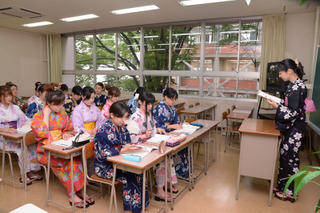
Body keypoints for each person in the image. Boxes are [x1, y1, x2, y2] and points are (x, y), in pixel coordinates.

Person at [31, 90, 93, 208]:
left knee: (77, 161)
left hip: (62, 147)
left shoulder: (63, 113)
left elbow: (69, 128)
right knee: (69, 164)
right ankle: (72, 194)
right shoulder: (39, 115)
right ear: (48, 103)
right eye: (56, 104)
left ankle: (79, 190)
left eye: (61, 104)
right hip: (46, 152)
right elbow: (42, 133)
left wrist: (66, 134)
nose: (60, 107)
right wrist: (46, 114)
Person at [94, 101, 149, 213]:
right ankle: (128, 210)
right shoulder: (103, 129)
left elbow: (126, 142)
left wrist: (130, 147)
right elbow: (103, 153)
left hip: (119, 161)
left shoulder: (122, 127)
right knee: (129, 177)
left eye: (125, 117)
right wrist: (123, 149)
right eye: (122, 118)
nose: (124, 120)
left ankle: (140, 207)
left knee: (139, 173)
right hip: (104, 166)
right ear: (112, 115)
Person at [267, 59, 307, 202]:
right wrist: (278, 102)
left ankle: (289, 192)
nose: (279, 76)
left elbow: (293, 112)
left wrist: (277, 107)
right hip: (291, 128)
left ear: (289, 71)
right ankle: (282, 186)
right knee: (285, 158)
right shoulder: (294, 85)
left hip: (295, 129)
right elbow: (290, 105)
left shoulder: (298, 87)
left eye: (281, 73)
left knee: (290, 160)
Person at [126, 91, 176, 201]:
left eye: (151, 104)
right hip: (139, 147)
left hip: (149, 144)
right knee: (160, 160)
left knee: (166, 155)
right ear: (140, 102)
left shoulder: (149, 115)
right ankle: (159, 190)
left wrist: (157, 130)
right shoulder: (135, 117)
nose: (150, 106)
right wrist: (144, 136)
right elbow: (131, 138)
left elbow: (152, 130)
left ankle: (165, 184)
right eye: (147, 104)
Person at [0, 85, 42, 185]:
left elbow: (25, 119)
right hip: (3, 138)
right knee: (21, 148)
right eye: (6, 96)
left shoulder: (15, 107)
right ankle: (23, 175)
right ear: (0, 97)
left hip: (16, 134)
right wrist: (6, 129)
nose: (9, 98)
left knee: (31, 144)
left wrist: (32, 124)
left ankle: (31, 172)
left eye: (10, 95)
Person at [153, 88, 189, 180]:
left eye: (174, 99)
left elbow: (176, 122)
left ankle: (184, 172)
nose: (173, 101)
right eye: (171, 99)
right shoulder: (159, 108)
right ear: (165, 97)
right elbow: (158, 127)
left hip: (172, 133)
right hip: (163, 135)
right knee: (175, 149)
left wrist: (182, 124)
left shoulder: (172, 108)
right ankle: (177, 173)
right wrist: (171, 126)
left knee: (184, 146)